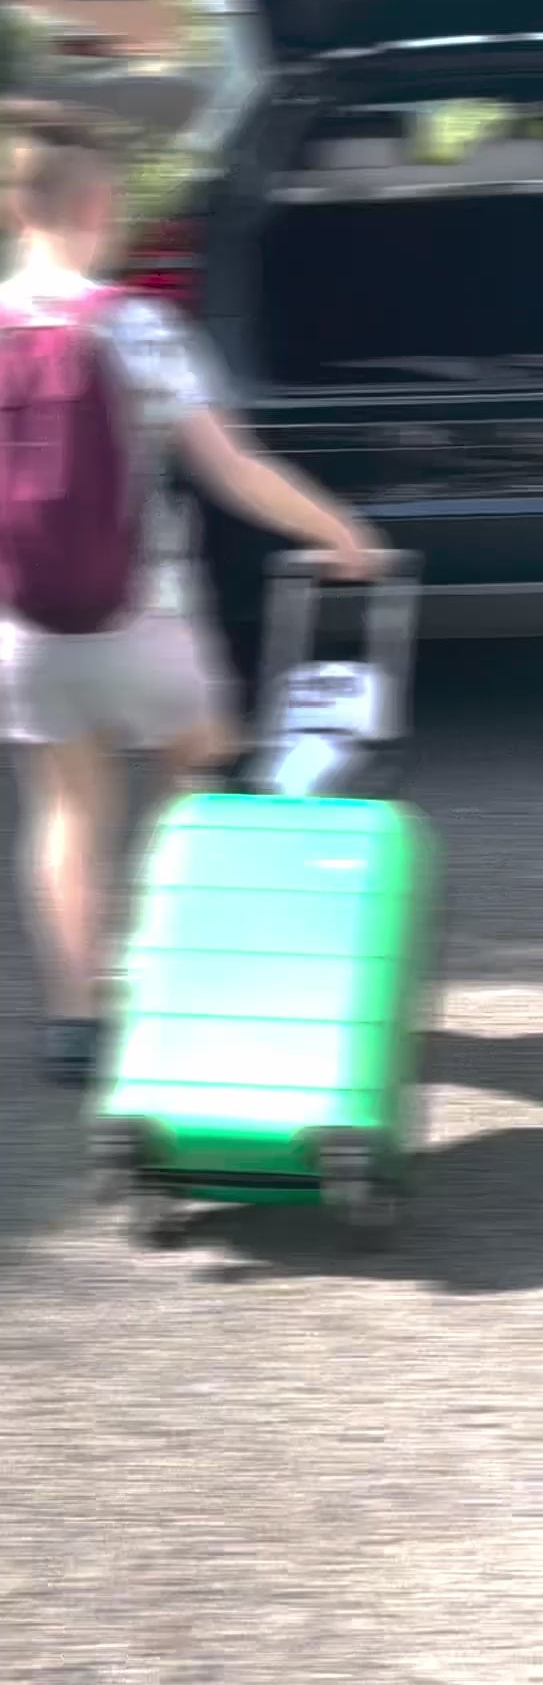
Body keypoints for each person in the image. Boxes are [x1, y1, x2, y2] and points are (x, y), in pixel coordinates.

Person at [0, 115, 389, 1085]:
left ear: (16, 208)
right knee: (200, 783)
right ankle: (184, 989)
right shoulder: (138, 326)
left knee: (65, 810)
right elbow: (231, 469)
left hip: (24, 629)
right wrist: (339, 532)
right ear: (98, 208)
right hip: (145, 619)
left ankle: (75, 1022)